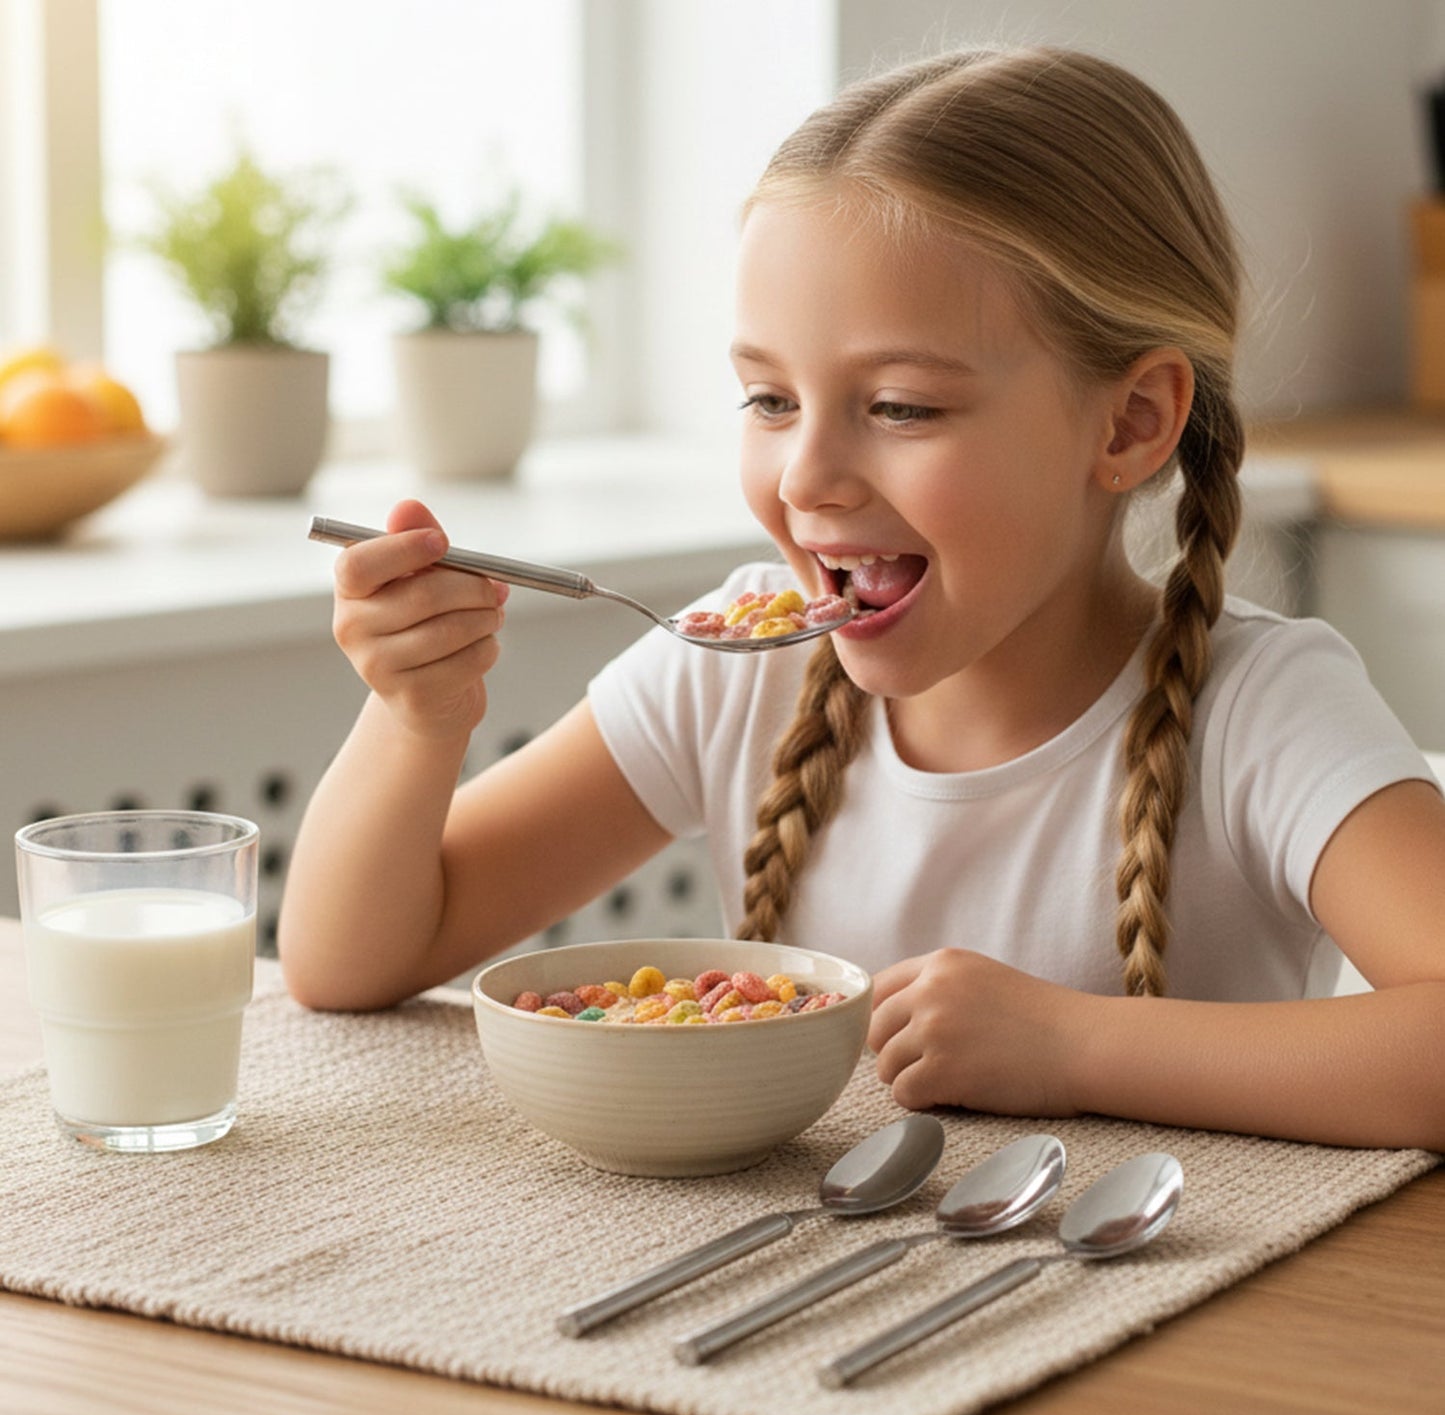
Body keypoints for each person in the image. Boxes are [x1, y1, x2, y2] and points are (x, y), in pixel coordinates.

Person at [280, 46, 1445, 1151]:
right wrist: (416, 717)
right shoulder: (731, 674)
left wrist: (1073, 1045)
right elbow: (347, 963)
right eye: (768, 400)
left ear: (1129, 423)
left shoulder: (1257, 709)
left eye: (898, 407)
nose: (805, 479)